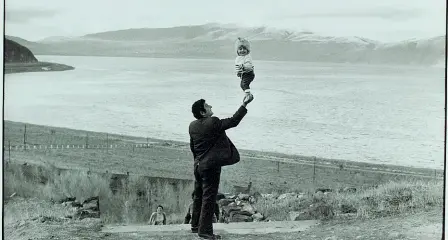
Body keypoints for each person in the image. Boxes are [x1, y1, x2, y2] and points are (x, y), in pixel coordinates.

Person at [189, 95, 254, 239]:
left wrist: (198, 162)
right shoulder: (213, 122)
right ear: (203, 112)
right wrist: (244, 104)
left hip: (198, 166)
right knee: (208, 198)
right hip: (210, 168)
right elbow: (234, 121)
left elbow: (193, 147)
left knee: (198, 196)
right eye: (207, 106)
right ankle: (205, 232)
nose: (211, 106)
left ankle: (195, 226)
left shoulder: (192, 126)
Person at [235, 37, 255, 101]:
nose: (242, 50)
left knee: (244, 84)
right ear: (237, 51)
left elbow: (249, 66)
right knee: (242, 85)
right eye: (240, 49)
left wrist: (243, 66)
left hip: (249, 74)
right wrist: (238, 73)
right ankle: (247, 94)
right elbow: (237, 67)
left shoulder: (247, 57)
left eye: (244, 49)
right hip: (243, 74)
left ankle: (248, 95)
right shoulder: (238, 58)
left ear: (247, 50)